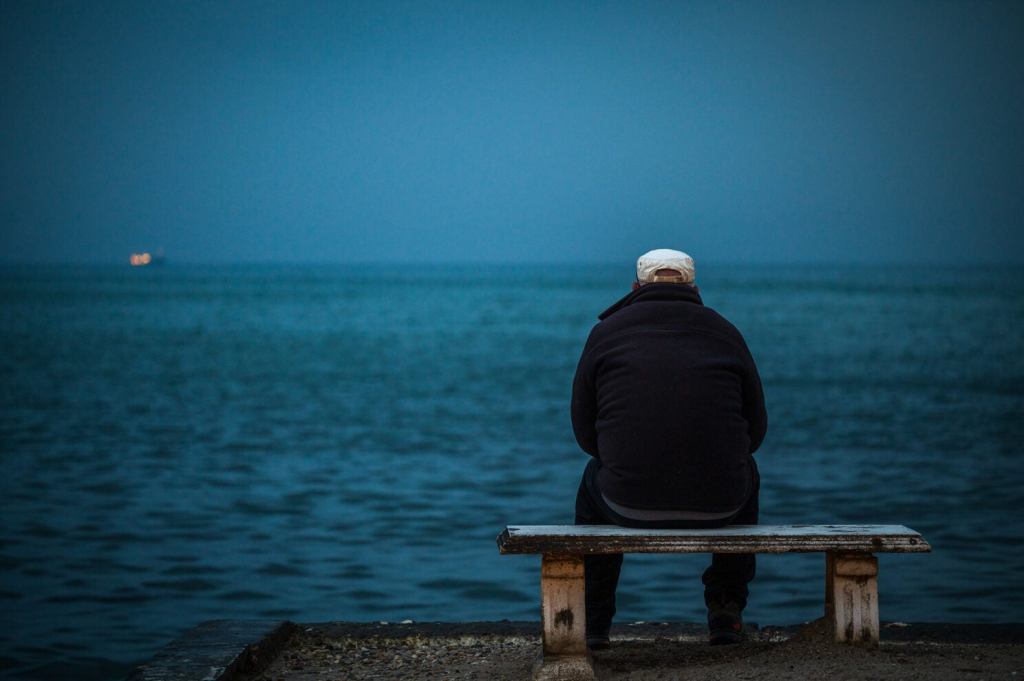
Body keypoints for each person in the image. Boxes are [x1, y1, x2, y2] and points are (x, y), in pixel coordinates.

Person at [570, 248, 767, 648]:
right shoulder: (725, 332)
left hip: (626, 502)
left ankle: (593, 624)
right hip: (721, 503)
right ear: (694, 287)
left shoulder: (605, 333)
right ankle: (726, 614)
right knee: (747, 470)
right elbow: (756, 432)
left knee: (592, 481)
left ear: (635, 287)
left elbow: (585, 436)